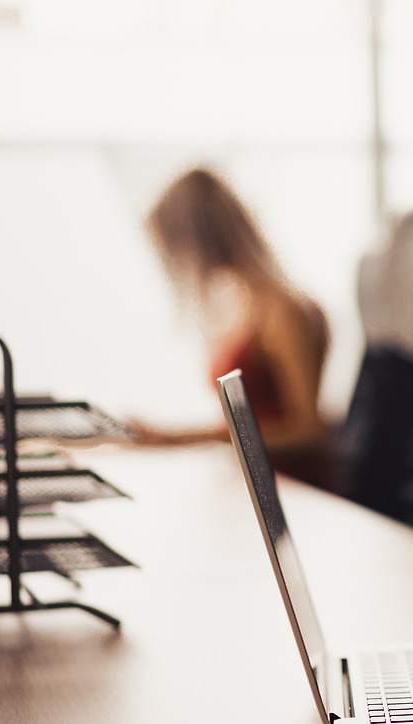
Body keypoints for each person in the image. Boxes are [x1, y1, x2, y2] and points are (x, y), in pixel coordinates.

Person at [135, 167, 331, 487]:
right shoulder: (243, 308)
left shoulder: (284, 312)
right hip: (252, 483)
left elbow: (310, 431)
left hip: (291, 488)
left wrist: (181, 438)